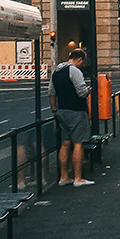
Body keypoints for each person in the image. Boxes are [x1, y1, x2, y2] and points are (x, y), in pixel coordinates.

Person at [48, 48, 94, 187]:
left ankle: (64, 177)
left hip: (62, 111)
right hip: (76, 111)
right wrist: (88, 90)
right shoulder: (74, 71)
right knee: (78, 143)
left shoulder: (56, 71)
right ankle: (78, 178)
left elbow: (51, 92)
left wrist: (55, 110)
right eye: (83, 61)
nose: (83, 64)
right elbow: (81, 92)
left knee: (65, 144)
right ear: (79, 59)